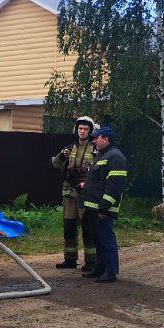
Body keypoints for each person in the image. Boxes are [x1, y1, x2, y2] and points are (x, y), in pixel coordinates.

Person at [80, 126, 128, 282]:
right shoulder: (102, 155)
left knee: (107, 240)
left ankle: (111, 272)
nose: (94, 141)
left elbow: (115, 185)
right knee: (98, 240)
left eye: (96, 138)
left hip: (103, 209)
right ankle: (100, 269)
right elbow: (98, 181)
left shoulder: (115, 157)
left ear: (106, 139)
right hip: (94, 207)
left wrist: (104, 207)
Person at [50, 116, 96, 270]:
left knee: (88, 227)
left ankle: (91, 262)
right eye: (80, 129)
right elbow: (55, 165)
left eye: (85, 129)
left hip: (86, 193)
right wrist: (62, 156)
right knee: (69, 226)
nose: (82, 131)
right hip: (69, 192)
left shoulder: (95, 149)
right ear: (76, 130)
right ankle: (70, 259)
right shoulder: (70, 147)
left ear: (90, 131)